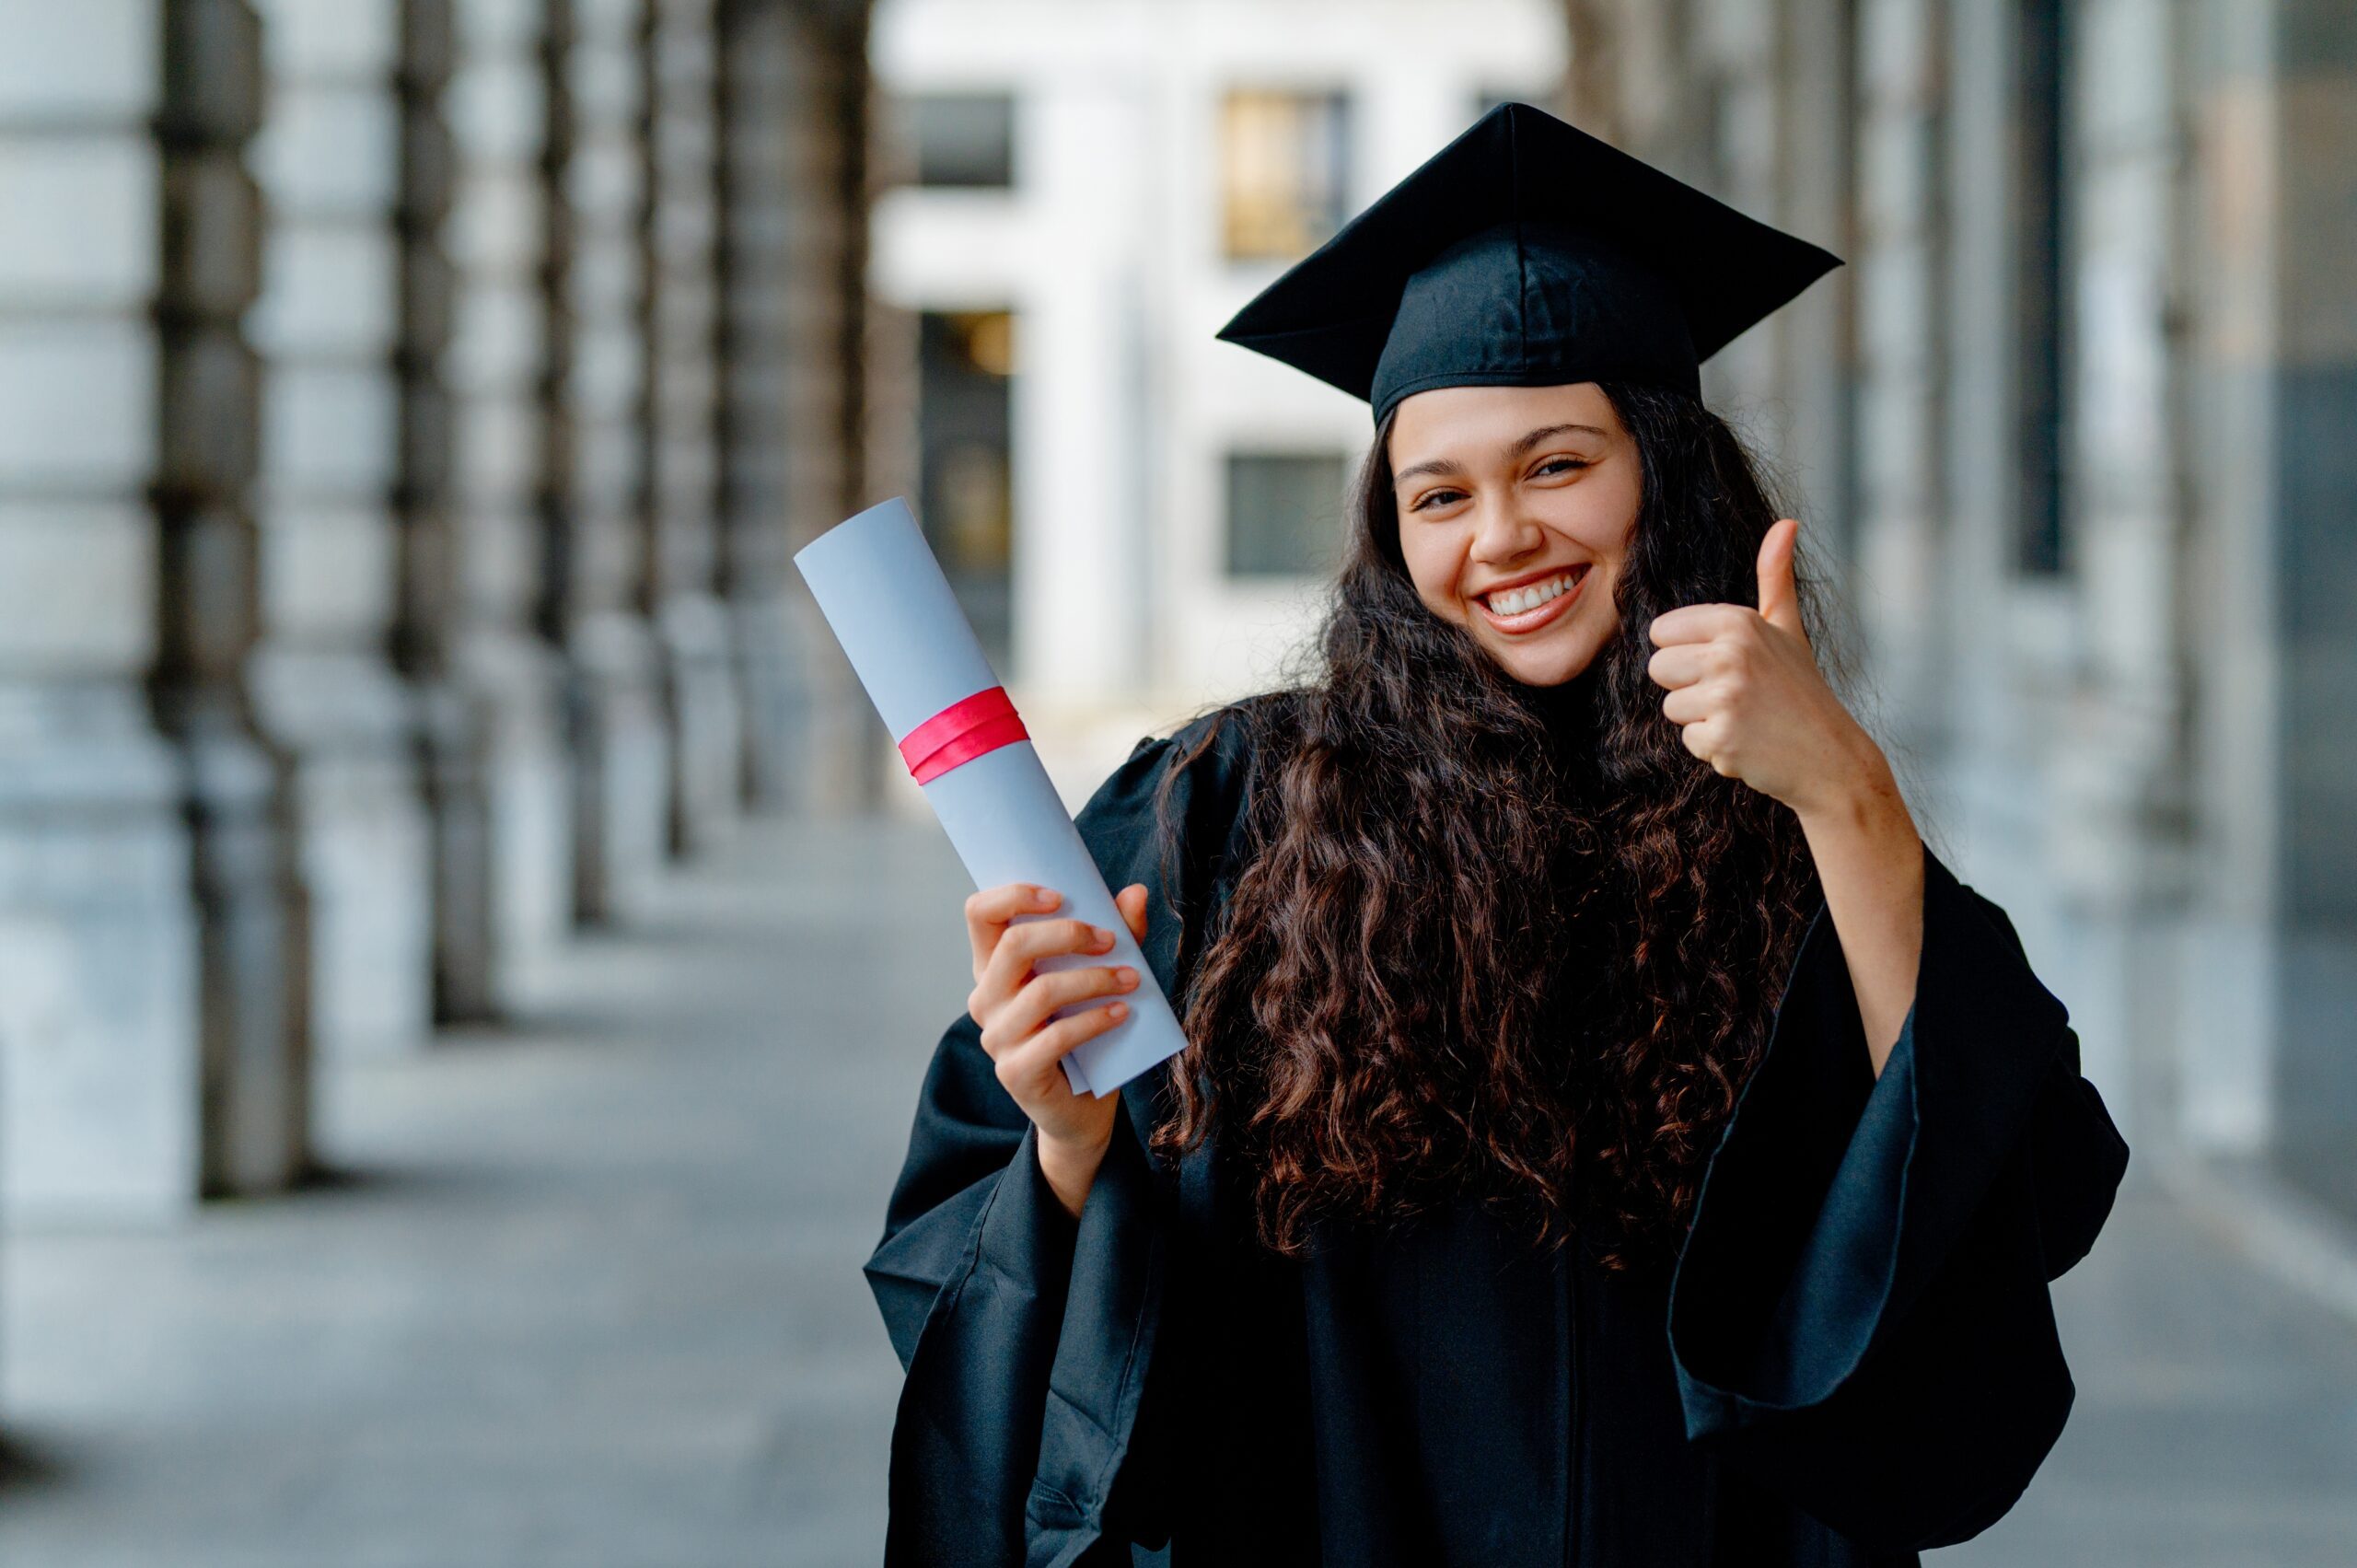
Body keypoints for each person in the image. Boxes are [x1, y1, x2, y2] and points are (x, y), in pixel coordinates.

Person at [863, 102, 2129, 1568]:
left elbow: (2018, 1180)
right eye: (1439, 494)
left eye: (1558, 465)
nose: (1501, 536)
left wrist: (1847, 796)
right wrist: (1069, 1140)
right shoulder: (1222, 810)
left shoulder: (1791, 815)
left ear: (1666, 469)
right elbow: (987, 1254)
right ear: (1387, 532)